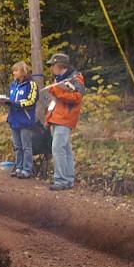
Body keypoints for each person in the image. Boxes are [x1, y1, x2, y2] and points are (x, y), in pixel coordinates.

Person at [44, 53, 85, 191]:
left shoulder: (75, 79)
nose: (51, 68)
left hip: (65, 118)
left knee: (57, 148)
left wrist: (57, 91)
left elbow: (77, 97)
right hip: (57, 117)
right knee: (65, 149)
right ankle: (68, 179)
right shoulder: (59, 79)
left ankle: (61, 180)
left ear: (60, 66)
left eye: (52, 65)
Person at [7, 61, 38, 179]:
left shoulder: (31, 84)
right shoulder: (13, 85)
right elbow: (9, 99)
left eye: (16, 70)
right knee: (17, 146)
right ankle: (18, 167)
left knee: (26, 146)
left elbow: (32, 100)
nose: (13, 73)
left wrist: (17, 104)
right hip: (13, 119)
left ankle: (27, 169)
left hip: (25, 119)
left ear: (22, 72)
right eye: (13, 70)